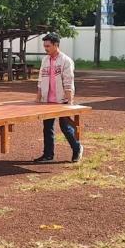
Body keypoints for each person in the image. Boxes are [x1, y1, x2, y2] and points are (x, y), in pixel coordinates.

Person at [34, 32, 83, 163]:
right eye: (44, 46)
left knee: (65, 127)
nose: (46, 48)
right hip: (47, 101)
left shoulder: (66, 61)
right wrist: (38, 100)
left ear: (56, 45)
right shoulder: (45, 60)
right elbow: (40, 81)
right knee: (47, 127)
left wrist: (69, 102)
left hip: (62, 101)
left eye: (48, 46)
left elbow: (68, 82)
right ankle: (48, 154)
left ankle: (77, 148)